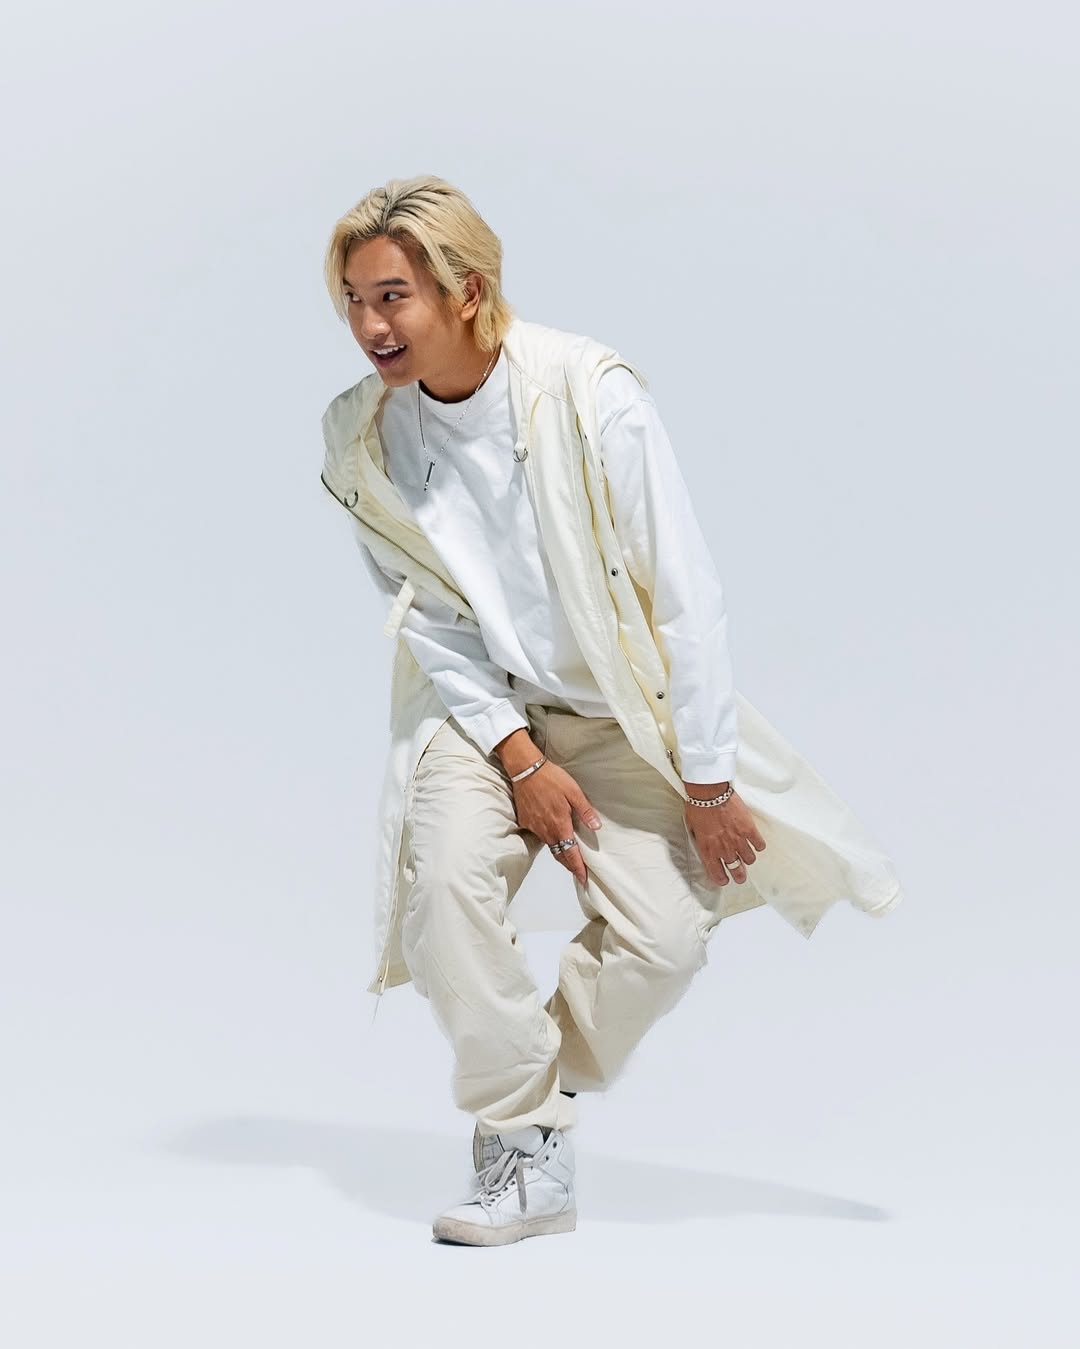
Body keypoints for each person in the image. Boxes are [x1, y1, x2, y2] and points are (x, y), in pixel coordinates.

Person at [318, 175, 902, 1248]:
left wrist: (709, 782)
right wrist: (518, 757)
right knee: (443, 894)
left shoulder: (589, 394)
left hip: (620, 714)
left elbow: (687, 599)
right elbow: (431, 618)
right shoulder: (365, 434)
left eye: (392, 296)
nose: (368, 325)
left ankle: (529, 1095)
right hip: (478, 709)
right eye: (353, 299)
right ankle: (526, 1148)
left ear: (466, 290)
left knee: (665, 941)